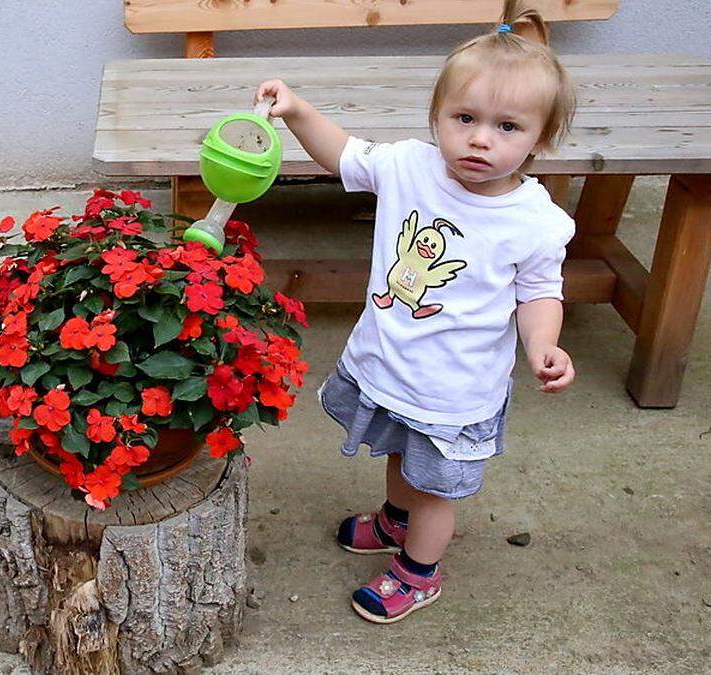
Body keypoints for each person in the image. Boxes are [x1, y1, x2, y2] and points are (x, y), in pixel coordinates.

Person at [257, 0, 577, 622]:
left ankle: (418, 572)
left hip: (453, 393)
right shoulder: (409, 167)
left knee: (434, 489)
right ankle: (393, 521)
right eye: (464, 118)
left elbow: (540, 293)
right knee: (400, 459)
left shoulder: (535, 222)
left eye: (508, 127)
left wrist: (543, 344)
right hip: (389, 366)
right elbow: (342, 153)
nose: (480, 138)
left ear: (542, 138)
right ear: (436, 117)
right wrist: (296, 110)